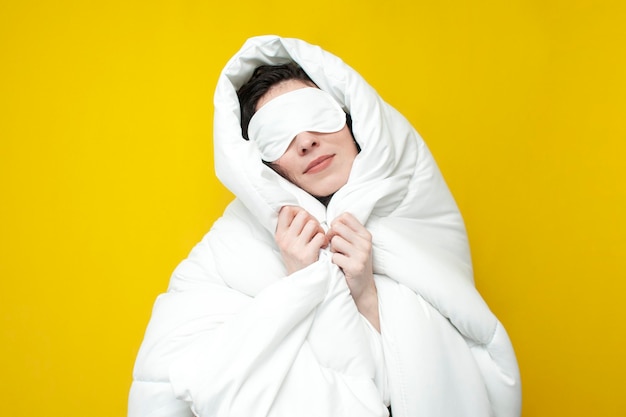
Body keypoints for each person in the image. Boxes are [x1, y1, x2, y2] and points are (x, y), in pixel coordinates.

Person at [129, 36, 521, 417]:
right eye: (276, 135)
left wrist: (366, 295)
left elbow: (444, 371)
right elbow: (171, 384)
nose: (306, 142)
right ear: (262, 166)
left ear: (353, 120)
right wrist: (301, 284)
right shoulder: (225, 252)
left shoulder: (415, 220)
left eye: (317, 116)